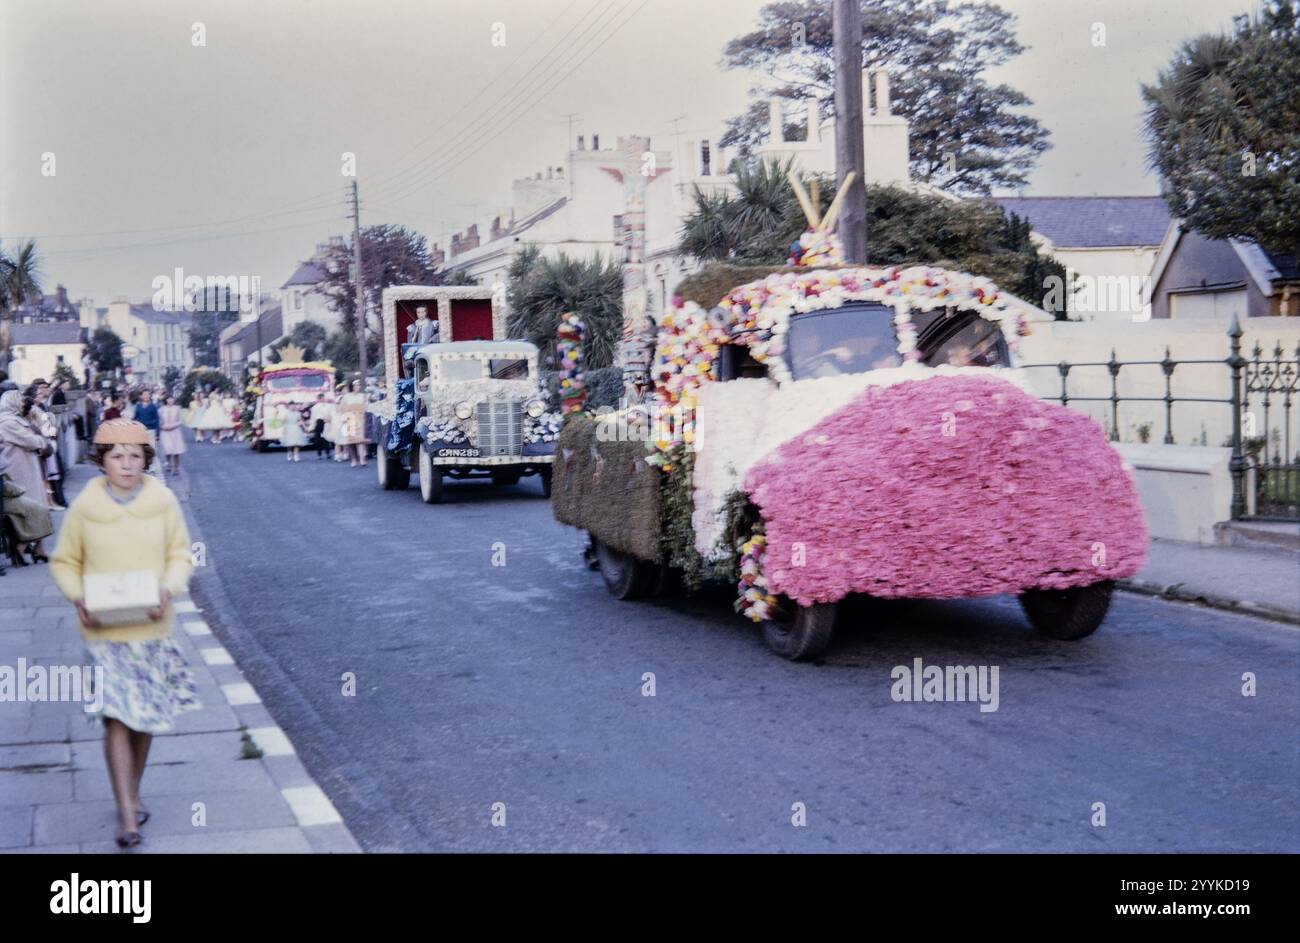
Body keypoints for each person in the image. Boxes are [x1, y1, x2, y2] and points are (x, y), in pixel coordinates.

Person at [49, 419, 199, 849]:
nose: (127, 464)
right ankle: (127, 815)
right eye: (117, 456)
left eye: (135, 456)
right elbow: (64, 562)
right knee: (116, 715)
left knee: (144, 719)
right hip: (104, 631)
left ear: (147, 459)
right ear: (102, 461)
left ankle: (131, 793)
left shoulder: (163, 502)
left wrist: (168, 589)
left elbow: (180, 555)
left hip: (151, 626)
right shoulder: (84, 508)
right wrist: (79, 598)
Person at [0, 391, 54, 565]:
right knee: (34, 509)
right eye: (19, 399)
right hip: (19, 472)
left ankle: (39, 549)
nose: (23, 402)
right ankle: (22, 548)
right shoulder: (7, 422)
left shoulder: (15, 419)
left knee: (39, 508)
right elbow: (30, 440)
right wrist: (42, 442)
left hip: (27, 469)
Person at [336, 379, 368, 468]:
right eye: (356, 385)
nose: (358, 387)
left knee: (360, 440)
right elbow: (341, 409)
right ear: (352, 386)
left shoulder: (363, 396)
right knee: (352, 442)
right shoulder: (347, 396)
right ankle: (353, 459)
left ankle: (362, 459)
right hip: (350, 419)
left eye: (359, 385)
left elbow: (366, 407)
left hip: (360, 419)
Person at [158, 394, 187, 475]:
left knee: (176, 450)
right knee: (168, 449)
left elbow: (181, 420)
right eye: (168, 399)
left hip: (175, 431)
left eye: (172, 399)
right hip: (165, 431)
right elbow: (159, 421)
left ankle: (176, 467)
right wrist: (163, 427)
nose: (170, 400)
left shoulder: (177, 409)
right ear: (166, 400)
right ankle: (168, 464)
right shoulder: (161, 410)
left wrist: (174, 425)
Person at [307, 394, 334, 460]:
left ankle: (328, 453)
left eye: (322, 398)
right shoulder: (314, 407)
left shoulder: (329, 406)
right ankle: (319, 454)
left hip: (326, 422)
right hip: (318, 422)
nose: (322, 399)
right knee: (318, 439)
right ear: (318, 399)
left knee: (326, 438)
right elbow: (313, 418)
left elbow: (331, 414)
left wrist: (330, 421)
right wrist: (311, 427)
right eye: (320, 398)